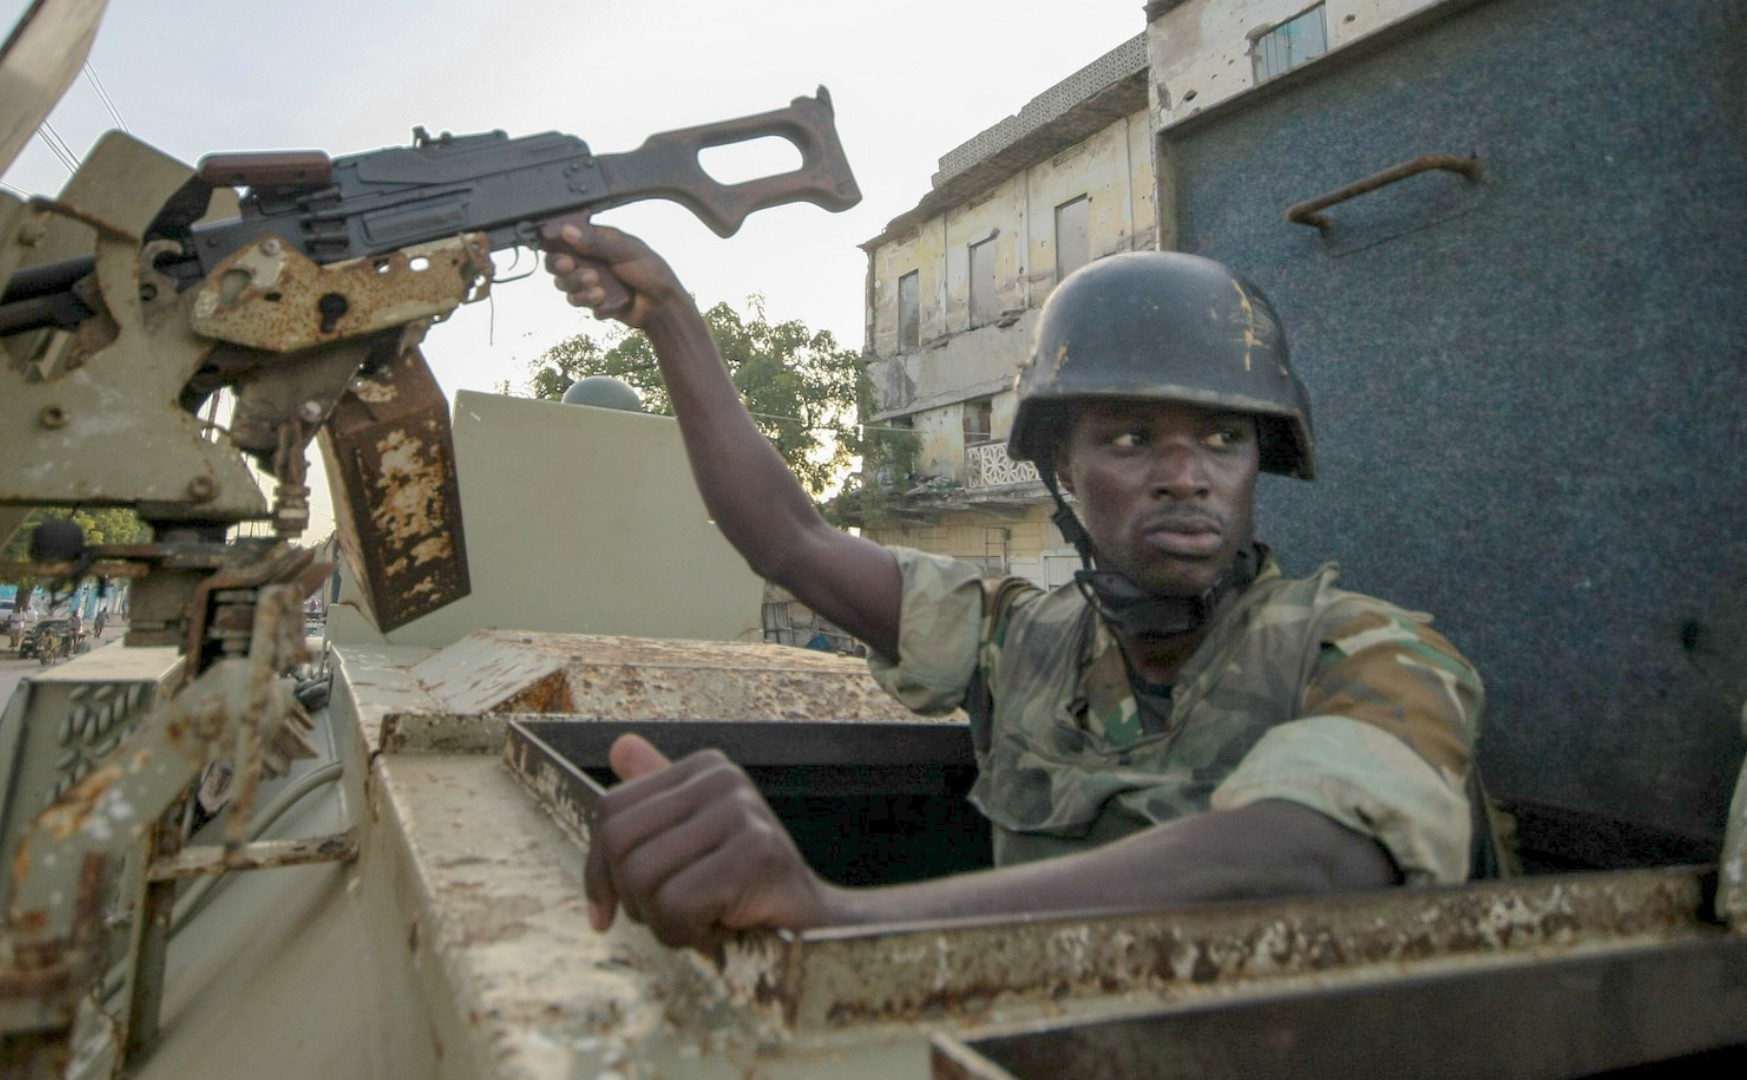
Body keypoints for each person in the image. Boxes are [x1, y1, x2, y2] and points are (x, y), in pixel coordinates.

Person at [545, 224, 1494, 953]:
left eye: (1223, 439)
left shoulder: (1369, 649)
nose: (1185, 474)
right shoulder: (1021, 641)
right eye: (1130, 439)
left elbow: (1308, 860)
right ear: (1061, 474)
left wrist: (839, 918)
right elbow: (788, 540)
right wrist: (669, 315)